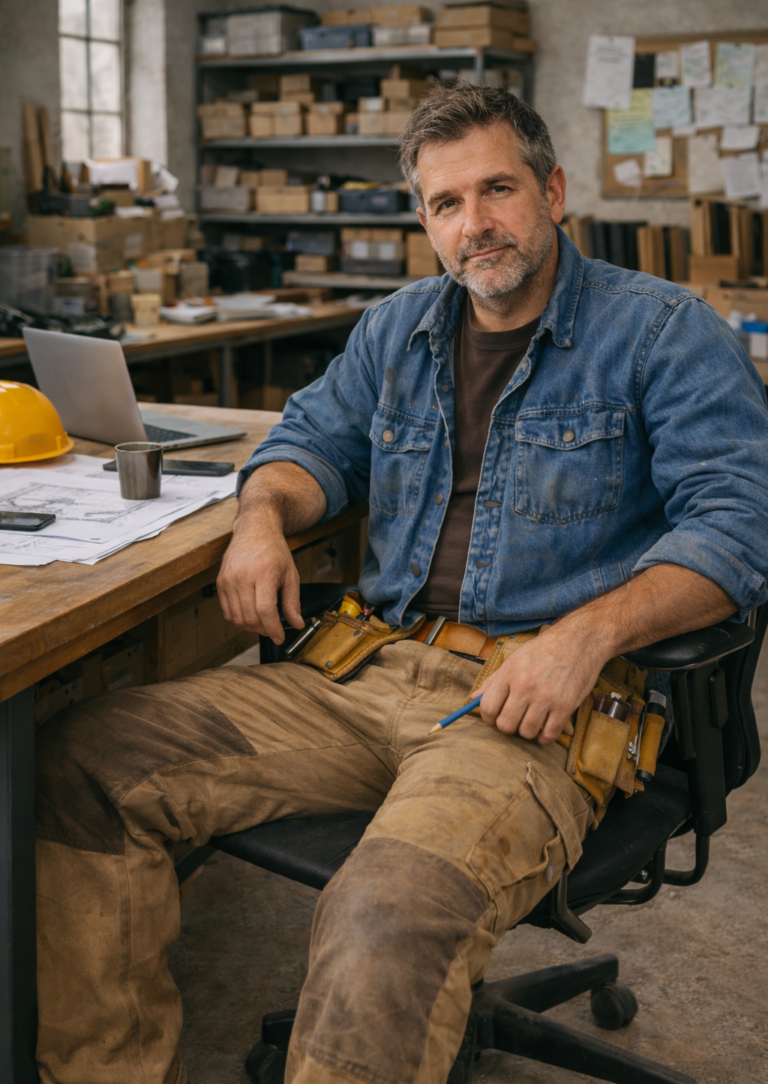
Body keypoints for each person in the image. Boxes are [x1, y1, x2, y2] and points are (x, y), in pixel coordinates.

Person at [36, 86, 768, 1084]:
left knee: (385, 909)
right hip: (362, 674)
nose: (477, 224)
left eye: (498, 189)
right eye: (447, 203)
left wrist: (586, 635)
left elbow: (740, 523)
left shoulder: (661, 333)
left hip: (533, 707)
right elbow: (307, 442)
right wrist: (259, 521)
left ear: (552, 191)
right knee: (88, 761)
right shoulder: (398, 330)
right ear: (424, 222)